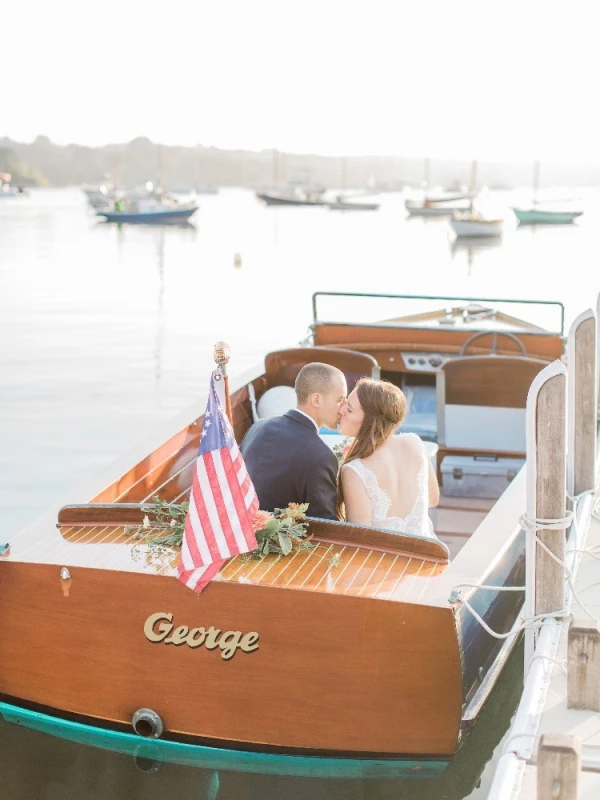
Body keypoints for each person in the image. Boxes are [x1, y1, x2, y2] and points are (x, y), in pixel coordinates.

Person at [241, 363, 347, 520]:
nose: (343, 408)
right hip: (284, 541)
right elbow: (327, 526)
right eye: (340, 400)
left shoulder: (257, 427)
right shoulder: (321, 456)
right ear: (316, 399)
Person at [337, 377, 440, 538]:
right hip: (428, 556)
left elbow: (360, 539)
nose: (341, 410)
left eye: (349, 409)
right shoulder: (415, 443)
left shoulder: (354, 470)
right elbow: (433, 499)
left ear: (369, 422)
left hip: (385, 562)